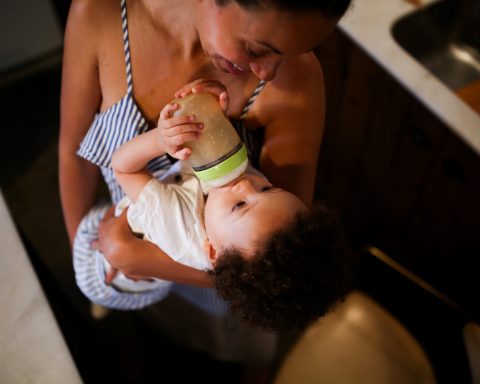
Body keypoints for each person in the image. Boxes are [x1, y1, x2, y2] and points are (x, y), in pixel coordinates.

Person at [59, 0, 352, 372]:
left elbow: (280, 269)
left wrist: (137, 256)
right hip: (132, 279)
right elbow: (74, 153)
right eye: (258, 46)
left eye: (291, 51)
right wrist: (91, 261)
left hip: (226, 296)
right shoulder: (100, 14)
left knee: (229, 363)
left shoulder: (294, 80)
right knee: (161, 350)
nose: (268, 70)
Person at [73, 93, 353, 333]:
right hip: (145, 262)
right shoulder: (237, 228)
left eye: (240, 205)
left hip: (98, 264)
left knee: (104, 276)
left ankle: (99, 301)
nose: (246, 184)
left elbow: (122, 167)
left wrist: (159, 140)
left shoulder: (178, 222)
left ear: (211, 251)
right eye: (269, 189)